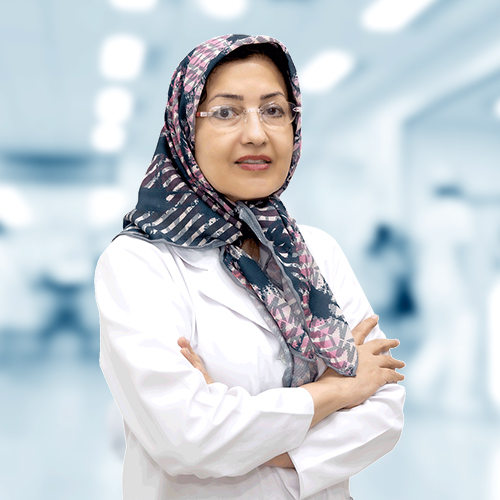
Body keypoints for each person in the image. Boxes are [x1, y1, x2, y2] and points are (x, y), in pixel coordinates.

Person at [95, 34, 405, 500]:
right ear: (185, 128)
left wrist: (247, 436)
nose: (257, 133)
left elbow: (384, 410)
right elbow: (189, 436)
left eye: (274, 110)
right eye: (226, 112)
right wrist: (335, 393)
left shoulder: (316, 252)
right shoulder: (139, 262)